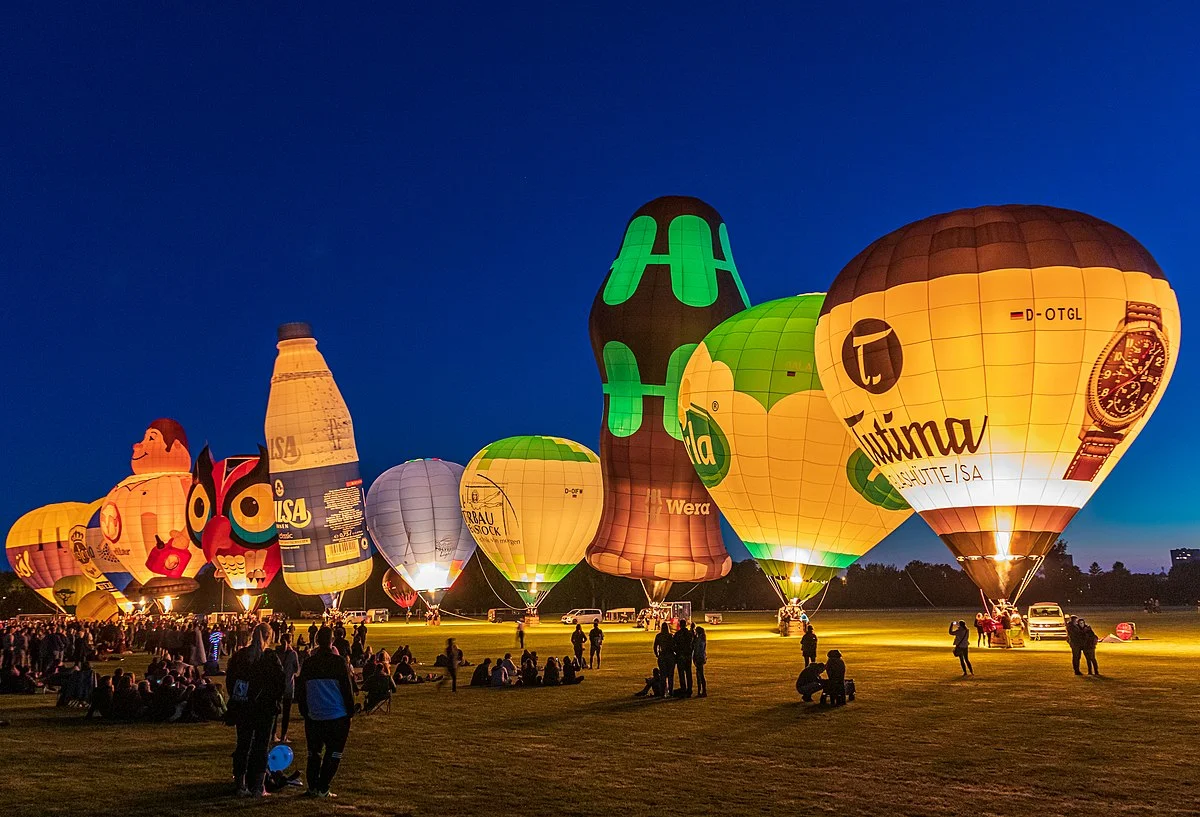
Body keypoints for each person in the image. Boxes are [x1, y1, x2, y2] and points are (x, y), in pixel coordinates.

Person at [226, 623, 285, 797]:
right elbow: (280, 683)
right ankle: (259, 786)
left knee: (243, 744)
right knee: (261, 746)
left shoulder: (240, 656)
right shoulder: (270, 658)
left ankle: (240, 785)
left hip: (243, 707)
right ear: (269, 637)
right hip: (264, 709)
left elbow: (231, 681)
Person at [297, 626, 355, 799]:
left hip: (314, 715)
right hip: (336, 715)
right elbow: (347, 689)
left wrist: (305, 711)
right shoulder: (338, 662)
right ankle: (323, 787)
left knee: (313, 753)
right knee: (334, 753)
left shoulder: (308, 663)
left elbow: (301, 690)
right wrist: (350, 712)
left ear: (316, 641)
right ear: (332, 642)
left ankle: (313, 786)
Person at [274, 633, 300, 744]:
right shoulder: (293, 654)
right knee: (286, 713)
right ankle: (284, 735)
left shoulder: (276, 653)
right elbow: (296, 669)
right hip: (288, 686)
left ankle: (273, 734)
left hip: (276, 686)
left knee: (274, 712)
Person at [653, 623, 675, 696]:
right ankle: (670, 692)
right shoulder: (670, 636)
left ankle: (663, 692)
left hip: (662, 656)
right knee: (670, 675)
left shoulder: (659, 636)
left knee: (663, 675)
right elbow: (674, 646)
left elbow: (655, 646)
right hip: (670, 656)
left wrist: (657, 654)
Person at [673, 619, 693, 696]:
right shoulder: (689, 634)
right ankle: (689, 690)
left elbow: (673, 644)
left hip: (680, 655)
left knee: (681, 674)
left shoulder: (678, 634)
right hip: (688, 655)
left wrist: (676, 651)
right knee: (688, 673)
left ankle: (683, 689)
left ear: (680, 625)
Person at [692, 625, 708, 697]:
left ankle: (702, 691)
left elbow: (698, 649)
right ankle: (701, 691)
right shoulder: (702, 639)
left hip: (699, 658)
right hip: (701, 658)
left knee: (700, 675)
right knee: (699, 674)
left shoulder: (700, 640)